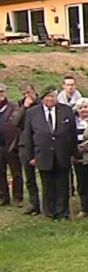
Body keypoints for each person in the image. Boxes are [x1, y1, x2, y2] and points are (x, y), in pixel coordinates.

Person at [23, 86, 77, 220]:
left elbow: (72, 134)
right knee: (47, 184)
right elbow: (28, 136)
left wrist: (73, 153)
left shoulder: (66, 110)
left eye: (52, 96)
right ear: (42, 98)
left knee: (63, 185)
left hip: (62, 154)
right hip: (43, 154)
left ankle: (63, 212)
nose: (50, 99)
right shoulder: (32, 112)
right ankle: (50, 212)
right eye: (47, 96)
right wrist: (30, 156)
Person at [11, 82, 41, 215]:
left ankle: (47, 203)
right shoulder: (20, 105)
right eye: (23, 94)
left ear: (34, 91)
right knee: (29, 177)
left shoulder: (42, 103)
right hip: (25, 144)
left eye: (28, 92)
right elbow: (15, 122)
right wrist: (24, 107)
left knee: (45, 175)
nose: (26, 96)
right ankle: (34, 204)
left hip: (40, 143)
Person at [0, 83, 22, 207]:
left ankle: (18, 198)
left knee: (16, 172)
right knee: (0, 172)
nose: (0, 95)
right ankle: (3, 197)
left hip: (12, 145)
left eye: (1, 92)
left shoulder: (13, 107)